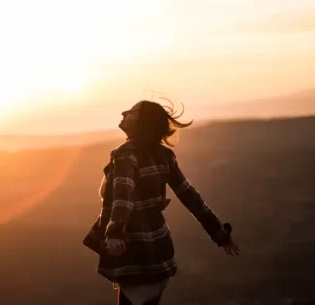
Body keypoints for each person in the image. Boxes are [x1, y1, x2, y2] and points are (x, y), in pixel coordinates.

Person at [83, 100, 241, 305]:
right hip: (158, 247)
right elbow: (190, 197)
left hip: (133, 247)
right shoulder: (164, 155)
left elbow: (123, 194)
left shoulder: (125, 154)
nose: (124, 112)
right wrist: (219, 233)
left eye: (132, 111)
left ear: (142, 121)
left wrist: (115, 231)